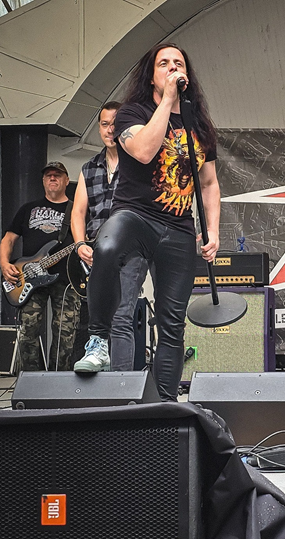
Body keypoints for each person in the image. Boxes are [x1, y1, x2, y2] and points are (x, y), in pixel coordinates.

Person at [74, 43, 220, 402]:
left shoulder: (199, 125)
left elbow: (209, 183)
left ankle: (166, 404)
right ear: (151, 75)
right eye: (163, 63)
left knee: (172, 323)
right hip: (135, 215)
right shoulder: (131, 112)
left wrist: (214, 231)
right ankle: (98, 341)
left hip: (178, 227)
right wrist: (167, 101)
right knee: (106, 247)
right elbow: (142, 151)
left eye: (178, 63)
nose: (171, 68)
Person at [70, 101, 151, 371]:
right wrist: (79, 243)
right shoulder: (89, 168)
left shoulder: (139, 164)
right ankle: (103, 380)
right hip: (99, 252)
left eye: (115, 124)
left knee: (121, 317)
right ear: (99, 128)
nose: (110, 129)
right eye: (104, 124)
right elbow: (78, 212)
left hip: (132, 250)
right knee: (99, 320)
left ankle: (121, 385)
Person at [0, 162, 81, 371]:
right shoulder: (28, 209)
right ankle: (30, 379)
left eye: (57, 175)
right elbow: (8, 239)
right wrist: (4, 264)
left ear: (66, 181)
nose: (52, 178)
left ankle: (58, 380)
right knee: (28, 329)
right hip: (29, 277)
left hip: (66, 279)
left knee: (65, 333)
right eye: (48, 175)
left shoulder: (76, 210)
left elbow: (86, 240)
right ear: (43, 181)